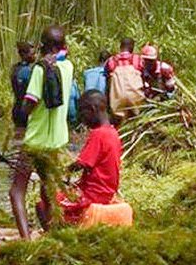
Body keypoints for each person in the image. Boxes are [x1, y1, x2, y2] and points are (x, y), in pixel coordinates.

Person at [9, 25, 74, 239]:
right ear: (63, 46)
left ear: (41, 46)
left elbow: (29, 105)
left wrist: (21, 111)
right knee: (47, 190)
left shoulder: (39, 69)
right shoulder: (68, 67)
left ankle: (26, 241)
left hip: (35, 141)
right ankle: (52, 233)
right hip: (56, 140)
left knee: (16, 191)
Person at [57, 90, 122, 224]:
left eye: (82, 113)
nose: (82, 118)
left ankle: (58, 236)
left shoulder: (98, 134)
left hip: (93, 194)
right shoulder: (113, 132)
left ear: (92, 110)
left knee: (47, 201)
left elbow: (82, 163)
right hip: (106, 192)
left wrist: (64, 170)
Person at [105, 38, 145, 121]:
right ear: (132, 47)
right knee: (137, 118)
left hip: (117, 97)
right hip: (135, 95)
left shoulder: (111, 60)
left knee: (120, 121)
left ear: (120, 47)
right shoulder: (138, 59)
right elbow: (144, 76)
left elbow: (107, 81)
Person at [10, 41, 36, 137]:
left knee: (18, 135)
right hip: (25, 108)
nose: (35, 56)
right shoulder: (27, 71)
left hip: (16, 107)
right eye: (32, 54)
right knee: (24, 136)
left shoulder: (15, 68)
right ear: (24, 54)